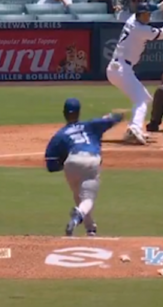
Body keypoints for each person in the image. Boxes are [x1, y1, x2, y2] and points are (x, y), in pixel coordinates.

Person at [45, 99, 123, 237]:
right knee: (88, 199)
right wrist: (117, 114)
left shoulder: (60, 135)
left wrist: (64, 163)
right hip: (90, 161)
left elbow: (51, 164)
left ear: (64, 113)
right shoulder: (91, 125)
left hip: (71, 162)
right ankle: (78, 216)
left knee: (78, 197)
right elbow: (114, 119)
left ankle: (90, 228)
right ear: (79, 112)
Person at [106, 3, 163, 145]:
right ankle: (134, 129)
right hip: (121, 68)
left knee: (143, 98)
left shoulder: (131, 19)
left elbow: (148, 8)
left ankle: (134, 127)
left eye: (148, 14)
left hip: (119, 67)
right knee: (141, 100)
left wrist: (162, 6)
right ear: (140, 15)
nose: (148, 16)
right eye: (146, 14)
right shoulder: (141, 29)